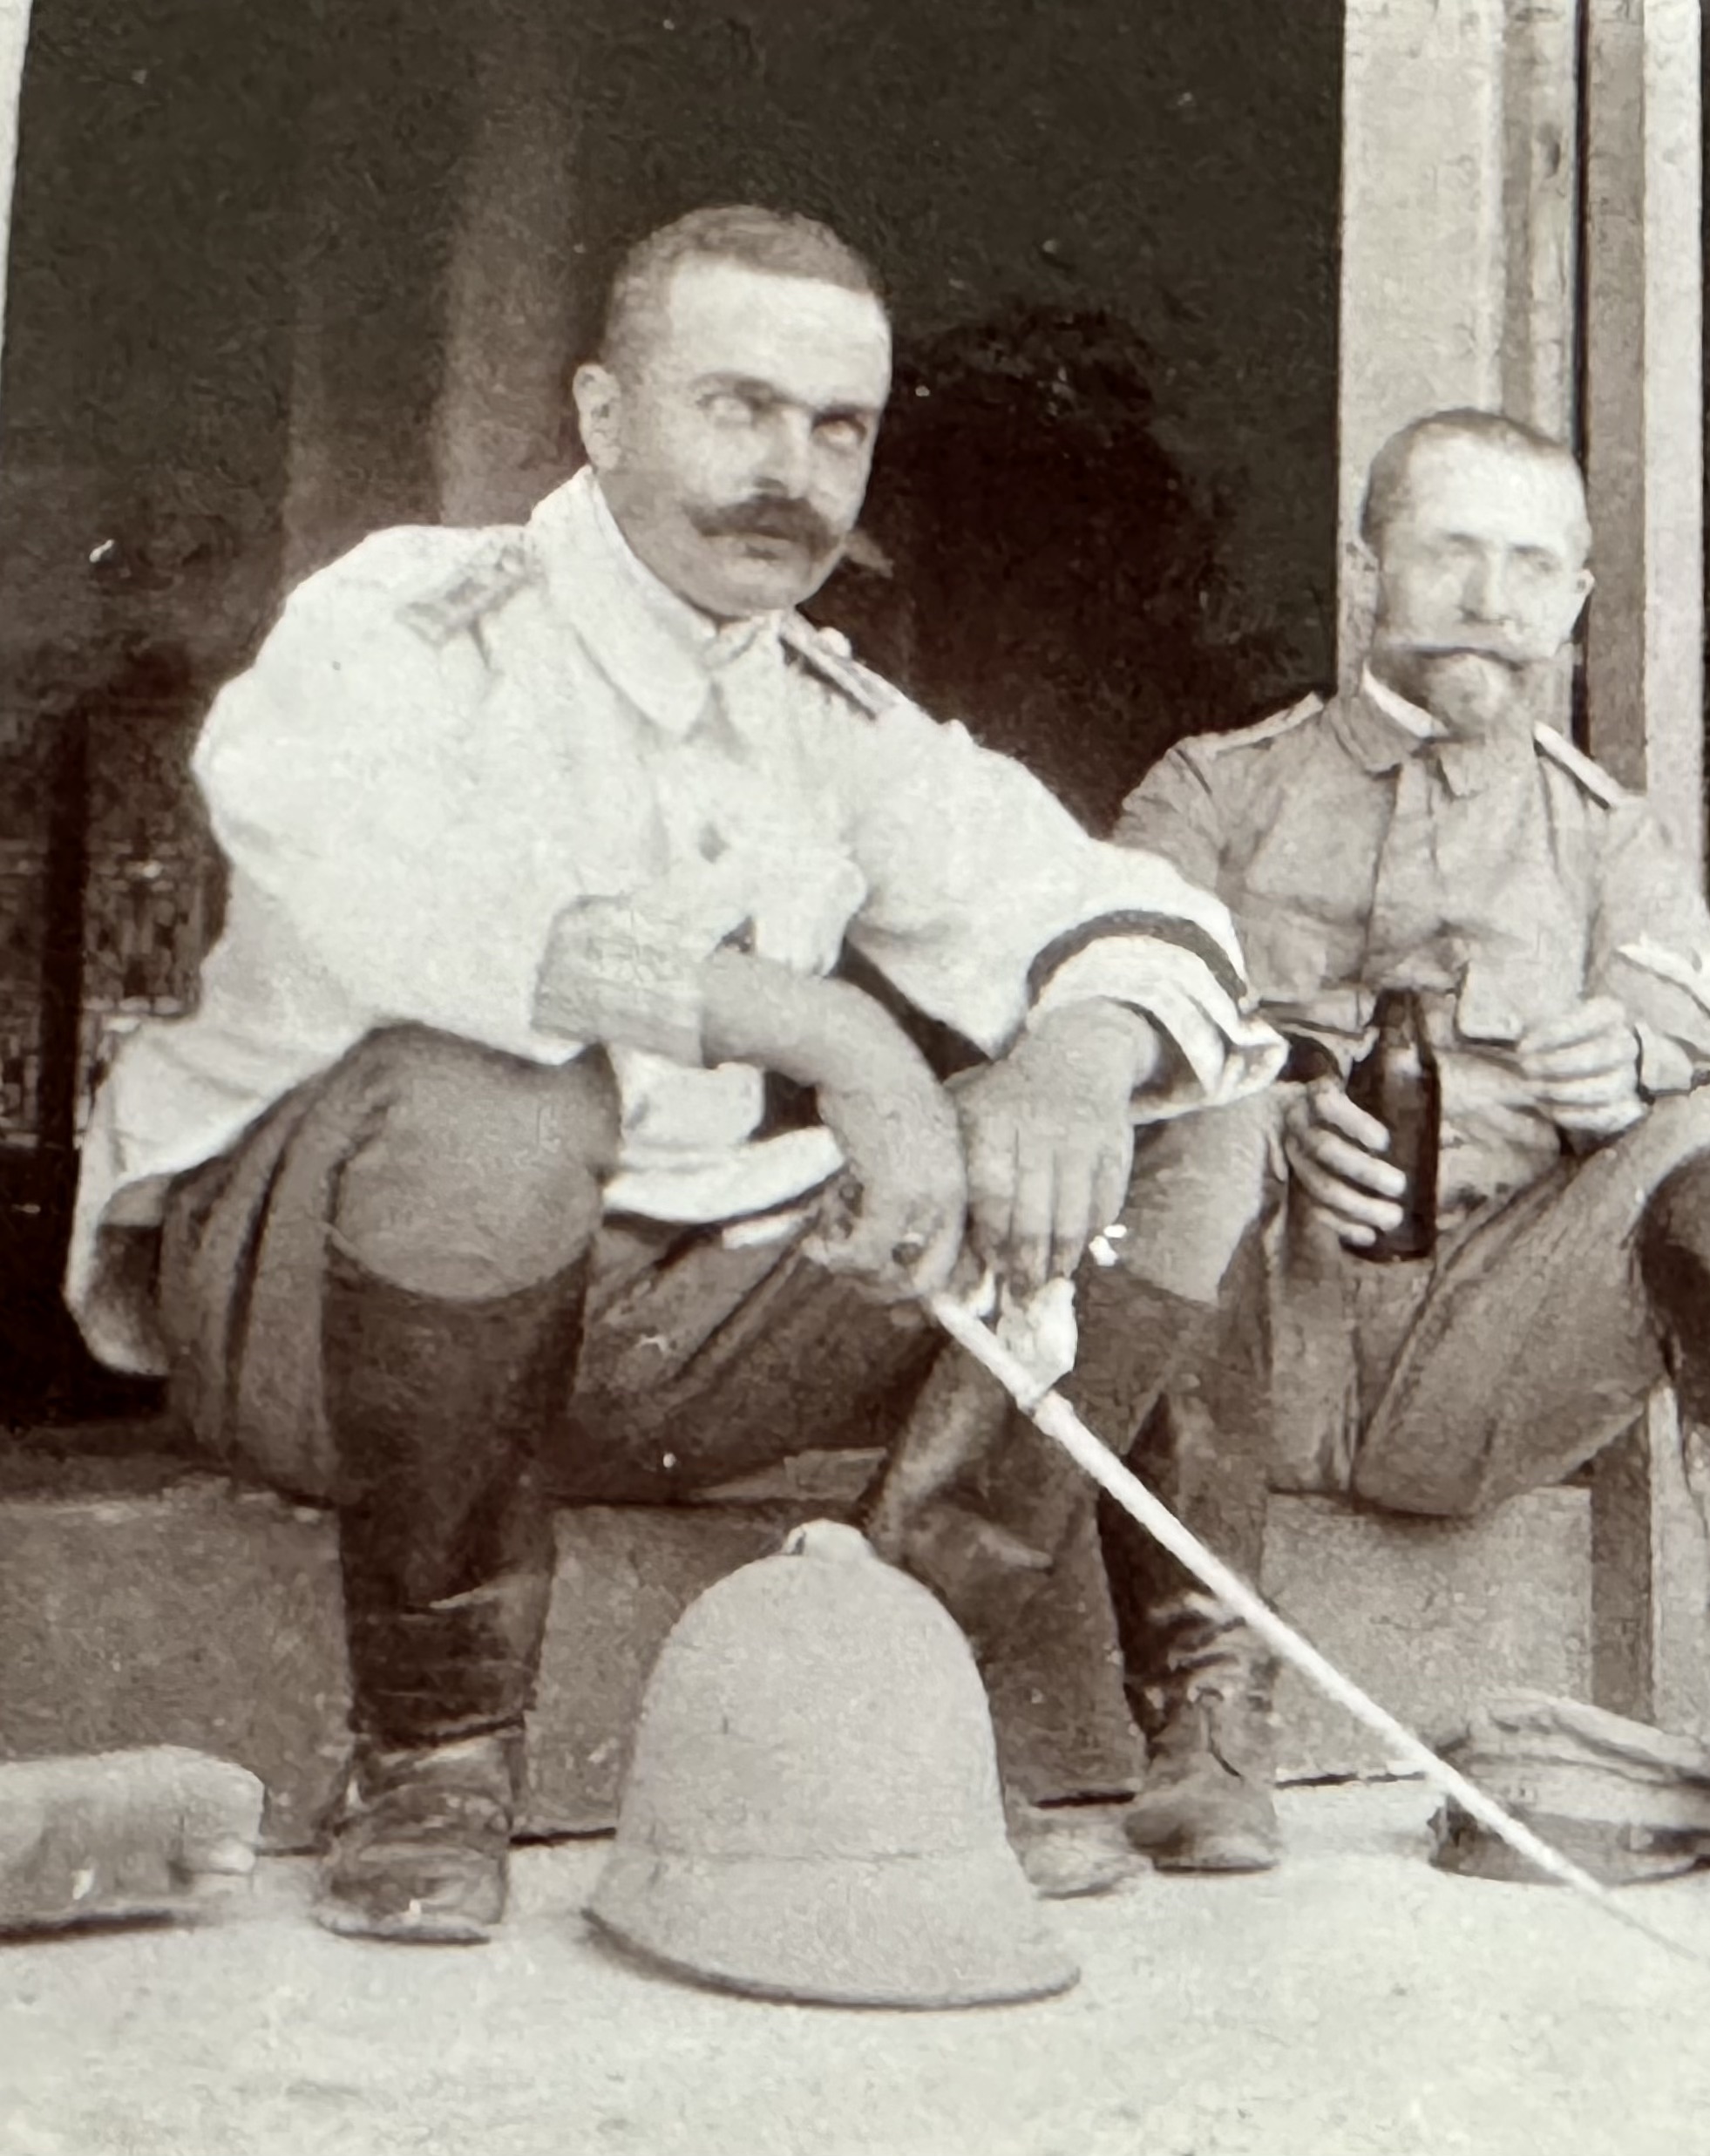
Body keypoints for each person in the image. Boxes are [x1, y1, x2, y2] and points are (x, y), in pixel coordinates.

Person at [59, 206, 1282, 1944]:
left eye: (837, 427)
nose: (793, 471)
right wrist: (830, 1029)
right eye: (739, 407)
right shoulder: (417, 613)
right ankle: (431, 1756)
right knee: (500, 1087)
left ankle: (872, 1694)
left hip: (641, 1314)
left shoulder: (823, 709)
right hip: (330, 1309)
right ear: (603, 415)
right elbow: (417, 908)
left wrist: (1073, 1058)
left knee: (1191, 1101)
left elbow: (1107, 900)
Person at [1102, 410, 1710, 1920]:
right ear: (1367, 568)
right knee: (1175, 1103)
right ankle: (1205, 1705)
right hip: (1245, 1350)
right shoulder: (1212, 789)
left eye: (1531, 567)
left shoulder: (1605, 835)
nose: (1489, 601)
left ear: (1573, 601)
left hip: (1482, 1363)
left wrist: (1635, 1066)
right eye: (1449, 552)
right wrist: (1282, 1093)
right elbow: (1107, 1007)